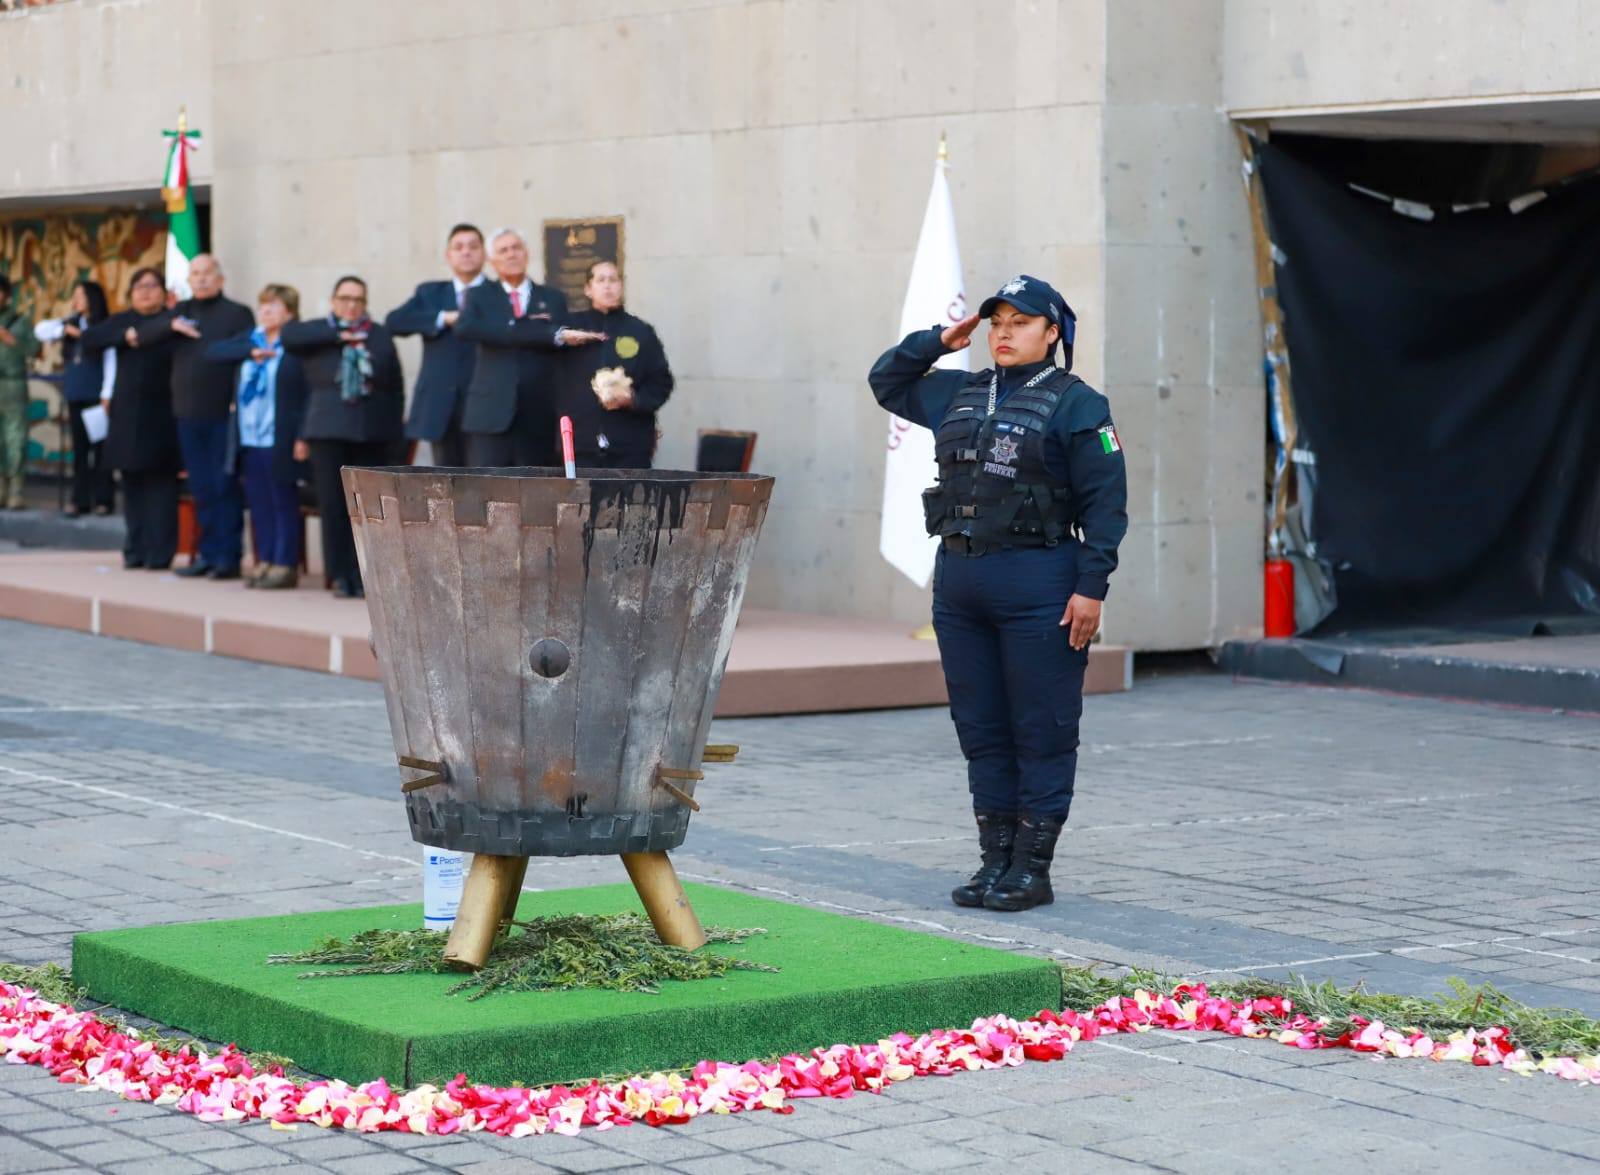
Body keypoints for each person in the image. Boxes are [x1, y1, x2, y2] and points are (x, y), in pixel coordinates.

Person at [868, 274, 1128, 913]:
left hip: (1040, 581)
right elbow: (887, 382)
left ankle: (1031, 869)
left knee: (1041, 727)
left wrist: (1091, 587)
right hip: (961, 585)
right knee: (981, 728)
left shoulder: (1079, 404)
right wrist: (938, 340)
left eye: (1021, 322)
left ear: (1052, 331)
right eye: (997, 322)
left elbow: (1107, 504)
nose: (1004, 333)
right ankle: (995, 861)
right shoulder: (959, 390)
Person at [132, 254, 255, 579]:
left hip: (223, 414)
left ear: (220, 278)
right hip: (186, 415)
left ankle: (228, 558)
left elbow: (246, 349)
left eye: (206, 273)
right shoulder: (181, 312)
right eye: (195, 273)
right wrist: (170, 324)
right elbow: (142, 336)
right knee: (201, 488)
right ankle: (207, 554)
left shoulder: (237, 313)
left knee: (223, 487)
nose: (200, 278)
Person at [281, 275, 403, 599]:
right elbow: (289, 336)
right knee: (333, 505)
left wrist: (395, 434)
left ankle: (364, 574)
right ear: (334, 301)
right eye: (345, 299)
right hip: (327, 431)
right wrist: (338, 334)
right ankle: (338, 574)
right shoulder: (318, 332)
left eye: (358, 300)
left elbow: (395, 386)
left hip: (371, 433)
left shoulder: (378, 335)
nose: (351, 305)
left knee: (366, 508)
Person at [457, 228, 604, 465]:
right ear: (491, 260)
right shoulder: (479, 296)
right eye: (503, 250)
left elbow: (563, 341)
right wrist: (536, 330)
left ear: (526, 253)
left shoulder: (553, 297)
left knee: (536, 483)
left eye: (516, 248)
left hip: (539, 414)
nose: (511, 254)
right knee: (488, 483)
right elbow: (466, 328)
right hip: (490, 414)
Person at [206, 284, 309, 590]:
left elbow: (308, 393)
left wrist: (302, 436)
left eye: (274, 306)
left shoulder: (296, 345)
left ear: (289, 312)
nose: (265, 311)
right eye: (263, 305)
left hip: (280, 435)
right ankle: (264, 559)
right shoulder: (251, 340)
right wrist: (249, 352)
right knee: (259, 501)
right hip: (249, 435)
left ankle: (285, 563)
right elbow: (213, 352)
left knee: (282, 500)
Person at [81, 267, 182, 570]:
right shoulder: (123, 320)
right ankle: (135, 549)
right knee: (132, 486)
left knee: (161, 489)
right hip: (126, 415)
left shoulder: (173, 322)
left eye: (152, 286)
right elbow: (90, 338)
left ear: (164, 293)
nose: (145, 292)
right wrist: (125, 336)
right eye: (139, 286)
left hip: (163, 414)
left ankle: (159, 553)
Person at [552, 261, 674, 468]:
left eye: (613, 280)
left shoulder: (640, 331)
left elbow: (661, 382)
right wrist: (560, 336)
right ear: (588, 289)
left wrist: (633, 399)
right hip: (580, 443)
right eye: (600, 280)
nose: (607, 286)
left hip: (630, 444)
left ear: (621, 286)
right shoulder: (571, 329)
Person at [384, 223, 486, 466]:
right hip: (441, 406)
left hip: (485, 403)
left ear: (484, 253)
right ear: (448, 255)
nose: (466, 252)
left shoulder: (498, 293)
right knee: (446, 479)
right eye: (458, 247)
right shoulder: (431, 293)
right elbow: (394, 322)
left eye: (473, 246)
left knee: (486, 478)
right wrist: (442, 318)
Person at [35, 280, 116, 516]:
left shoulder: (104, 325)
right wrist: (64, 329)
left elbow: (111, 362)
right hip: (76, 393)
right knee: (79, 451)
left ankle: (104, 499)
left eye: (82, 295)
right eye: (75, 295)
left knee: (100, 450)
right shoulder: (70, 322)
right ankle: (80, 499)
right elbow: (41, 330)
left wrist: (107, 394)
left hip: (96, 395)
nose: (77, 300)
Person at [0, 275, 41, 510]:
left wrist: (11, 340)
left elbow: (35, 350)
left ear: (6, 294)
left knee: (15, 437)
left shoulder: (20, 321)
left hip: (13, 384)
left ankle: (16, 489)